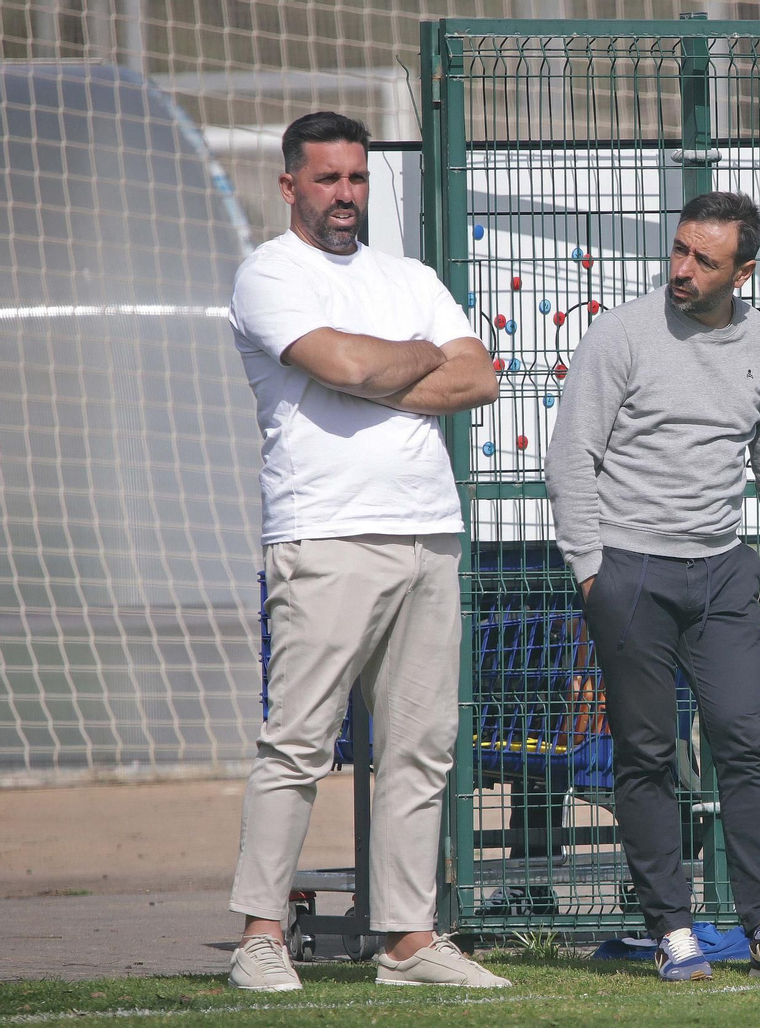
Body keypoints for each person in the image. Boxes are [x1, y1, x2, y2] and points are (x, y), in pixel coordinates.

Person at [225, 111, 508, 991]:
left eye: (355, 179)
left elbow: (481, 378)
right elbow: (339, 362)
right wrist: (416, 363)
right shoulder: (269, 274)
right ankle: (260, 938)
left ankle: (407, 943)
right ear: (289, 186)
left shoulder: (409, 276)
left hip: (428, 531)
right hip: (326, 536)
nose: (344, 195)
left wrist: (390, 368)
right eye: (326, 179)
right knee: (299, 744)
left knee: (422, 746)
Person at [546, 191, 760, 982]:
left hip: (724, 571)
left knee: (744, 744)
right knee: (643, 755)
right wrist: (591, 570)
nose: (681, 269)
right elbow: (572, 457)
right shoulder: (623, 335)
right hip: (629, 573)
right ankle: (672, 931)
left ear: (743, 270)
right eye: (678, 251)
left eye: (704, 260)